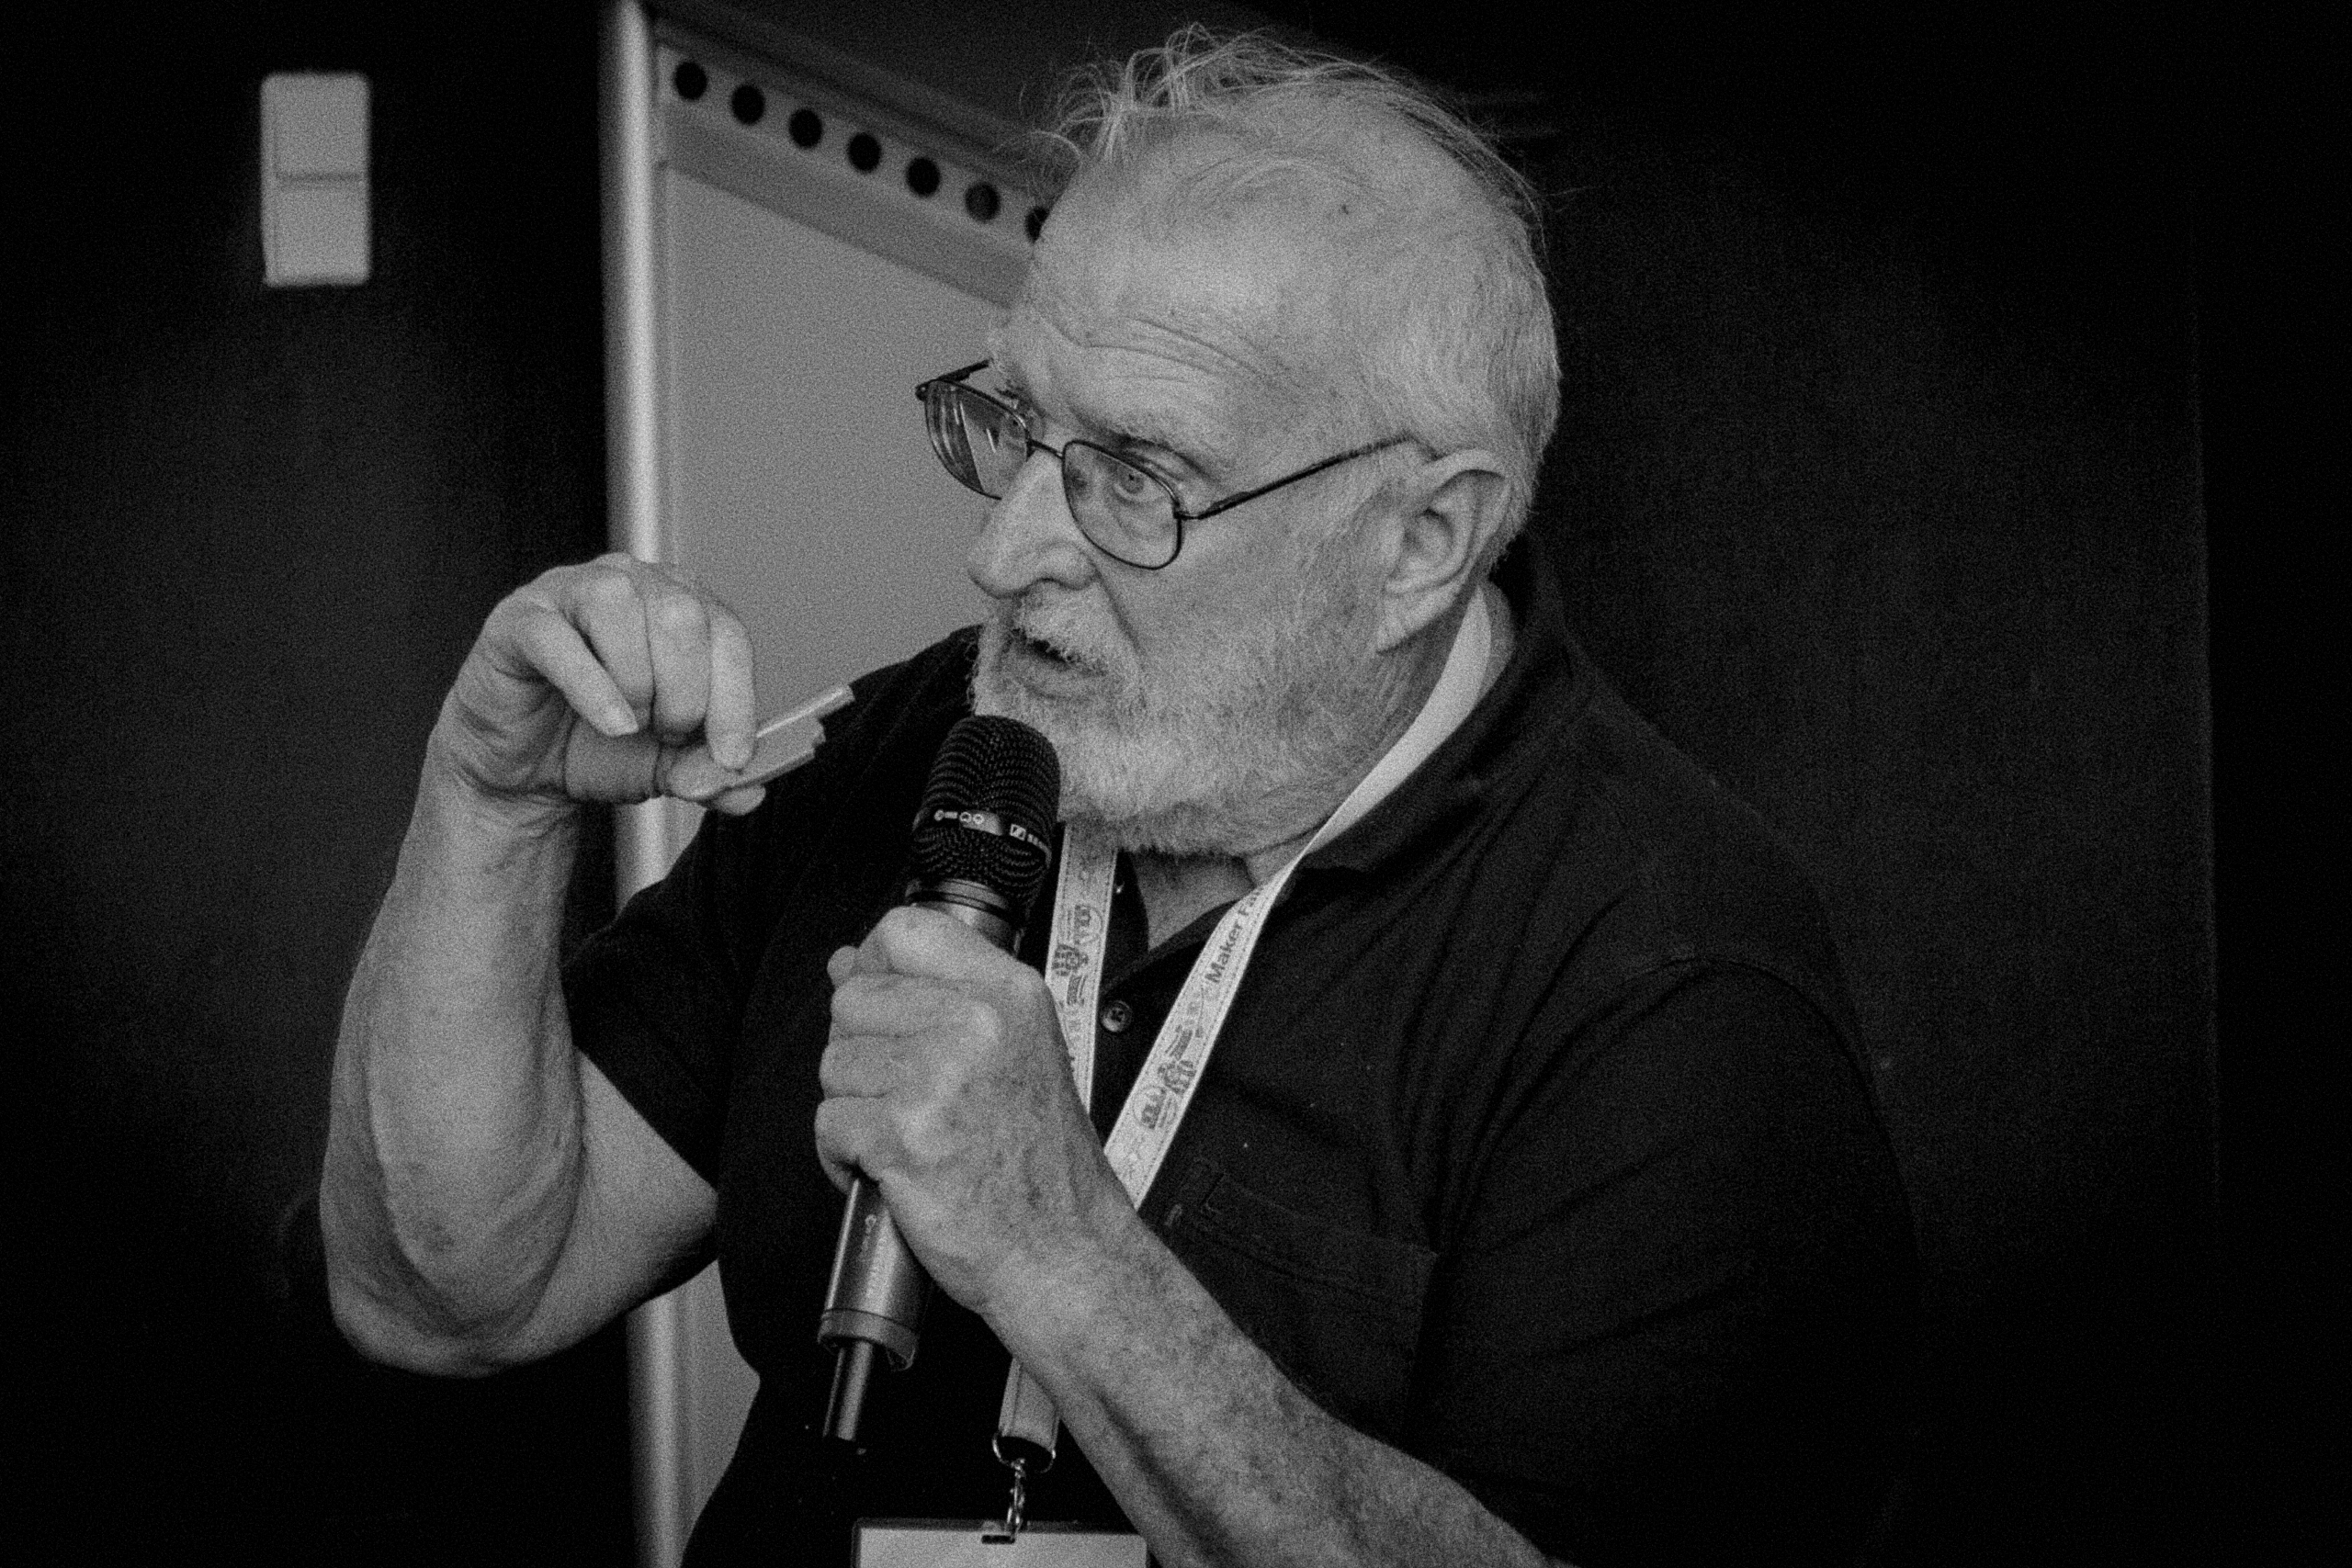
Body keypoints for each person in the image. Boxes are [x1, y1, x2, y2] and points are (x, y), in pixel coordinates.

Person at [322, 28, 1916, 1567]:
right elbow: (448, 1294)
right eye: (1021, 427)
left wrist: (1064, 1254)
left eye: (1139, 476)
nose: (1003, 552)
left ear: (1419, 544)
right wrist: (495, 806)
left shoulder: (1670, 978)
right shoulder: (935, 744)